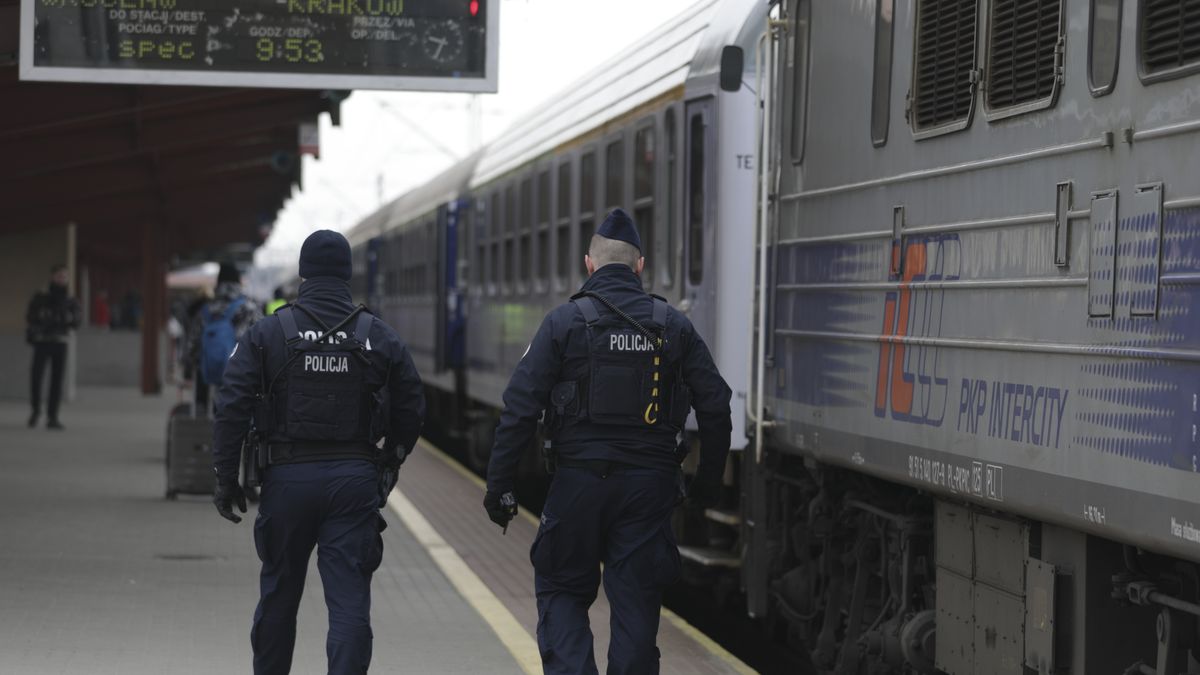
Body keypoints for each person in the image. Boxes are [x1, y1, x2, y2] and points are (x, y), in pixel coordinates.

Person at [483, 208, 733, 674]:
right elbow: (716, 404)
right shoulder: (672, 325)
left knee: (562, 590)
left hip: (577, 484)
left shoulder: (564, 322)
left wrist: (499, 486)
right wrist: (706, 487)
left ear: (589, 264)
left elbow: (519, 408)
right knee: (637, 600)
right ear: (640, 266)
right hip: (648, 490)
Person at [212, 230, 425, 675]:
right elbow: (412, 405)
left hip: (286, 481)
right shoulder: (377, 334)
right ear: (347, 274)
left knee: (278, 594)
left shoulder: (268, 332)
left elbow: (231, 404)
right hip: (353, 482)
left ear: (304, 273)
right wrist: (391, 459)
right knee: (349, 602)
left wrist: (225, 477)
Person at [187, 263, 260, 415]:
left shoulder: (206, 310)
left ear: (218, 283)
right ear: (238, 282)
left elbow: (192, 346)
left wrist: (193, 365)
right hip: (241, 376)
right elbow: (261, 342)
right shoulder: (249, 308)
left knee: (213, 411)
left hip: (210, 375)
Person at [25, 264, 81, 430]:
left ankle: (53, 417)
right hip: (42, 341)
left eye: (64, 276)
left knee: (57, 381)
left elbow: (76, 321)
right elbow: (30, 316)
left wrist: (67, 318)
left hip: (60, 342)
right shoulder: (40, 296)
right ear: (52, 277)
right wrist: (42, 320)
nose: (62, 279)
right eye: (59, 276)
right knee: (36, 378)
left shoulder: (70, 299)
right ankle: (36, 410)